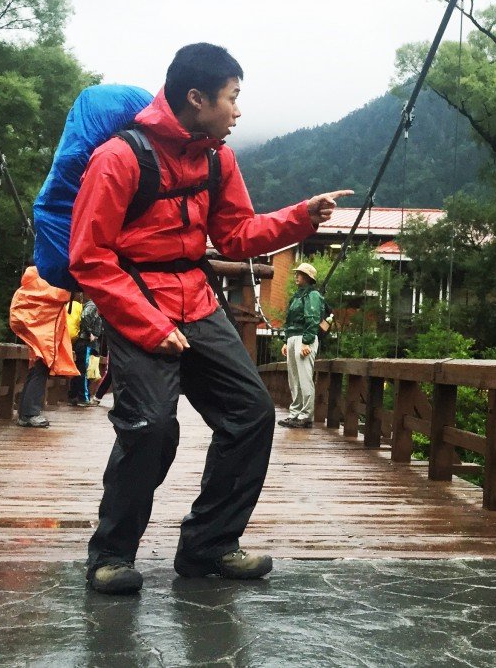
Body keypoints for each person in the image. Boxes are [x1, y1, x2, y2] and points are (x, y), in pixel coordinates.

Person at [70, 42, 352, 595]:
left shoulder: (218, 158)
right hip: (138, 302)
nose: (238, 112)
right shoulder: (119, 159)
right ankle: (110, 554)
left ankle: (209, 545)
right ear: (196, 98)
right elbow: (91, 259)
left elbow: (236, 235)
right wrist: (151, 326)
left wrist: (301, 217)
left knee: (251, 412)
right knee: (151, 426)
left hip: (197, 301)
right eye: (232, 98)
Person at [9, 266, 80, 428]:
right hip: (41, 334)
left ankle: (27, 413)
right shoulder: (43, 284)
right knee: (39, 370)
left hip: (39, 333)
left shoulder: (32, 286)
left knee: (37, 370)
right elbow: (59, 295)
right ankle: (29, 414)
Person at [277, 263, 324, 429]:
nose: (296, 276)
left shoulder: (313, 295)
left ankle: (306, 416)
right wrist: (286, 340)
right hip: (293, 338)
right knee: (294, 379)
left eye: (300, 274)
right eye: (297, 273)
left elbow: (312, 318)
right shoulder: (297, 296)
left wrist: (307, 340)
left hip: (304, 339)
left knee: (304, 378)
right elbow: (289, 321)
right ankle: (295, 413)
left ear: (308, 278)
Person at [66, 295, 89, 405]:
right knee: (82, 368)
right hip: (79, 339)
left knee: (73, 367)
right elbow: (84, 321)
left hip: (66, 339)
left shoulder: (67, 305)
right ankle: (82, 398)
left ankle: (71, 395)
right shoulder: (81, 307)